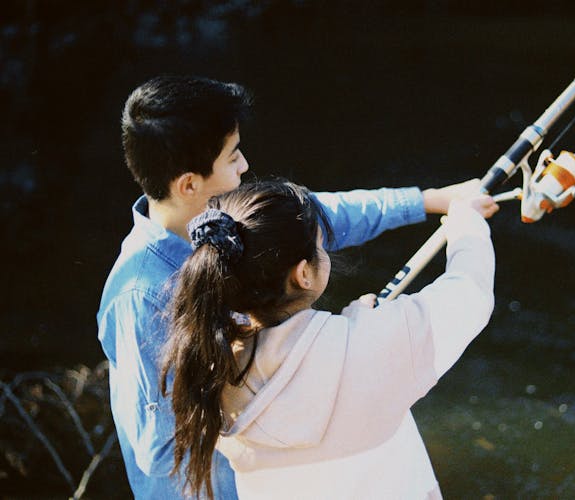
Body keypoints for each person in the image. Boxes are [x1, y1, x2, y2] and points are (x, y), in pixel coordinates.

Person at [96, 75, 499, 498]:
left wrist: (429, 200)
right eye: (232, 157)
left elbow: (311, 220)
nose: (245, 165)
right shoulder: (140, 297)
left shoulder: (229, 226)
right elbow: (162, 452)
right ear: (189, 184)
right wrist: (331, 362)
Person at [161, 179, 497, 499]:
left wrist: (356, 324)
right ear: (304, 274)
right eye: (320, 245)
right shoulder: (375, 345)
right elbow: (469, 292)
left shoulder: (209, 367)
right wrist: (466, 223)